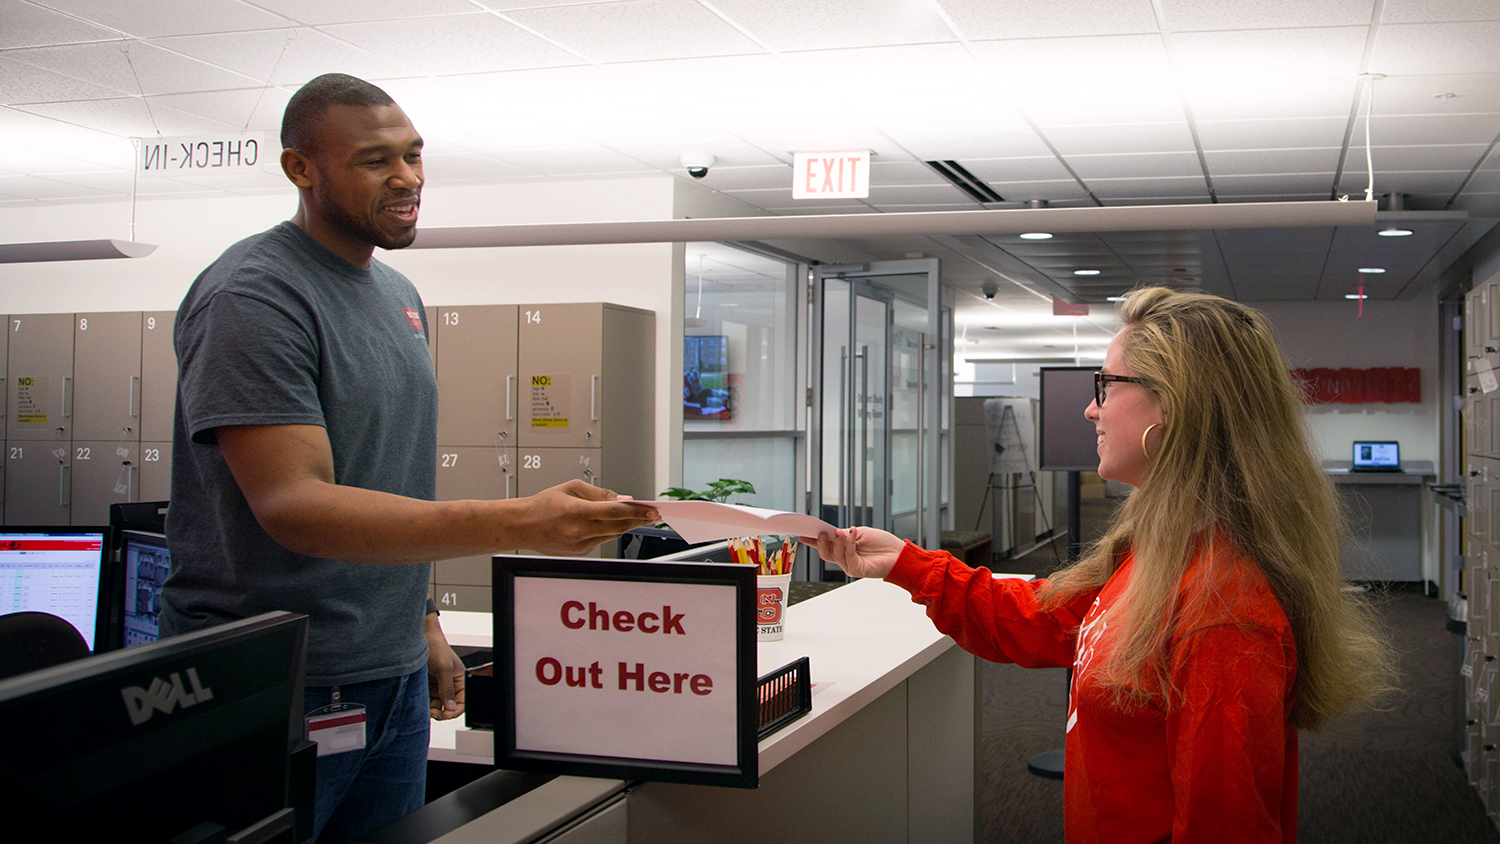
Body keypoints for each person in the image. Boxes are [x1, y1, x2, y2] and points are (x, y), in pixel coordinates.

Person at [161, 73, 657, 843]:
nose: (407, 178)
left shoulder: (396, 294)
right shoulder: (254, 296)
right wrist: (521, 519)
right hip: (280, 681)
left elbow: (390, 477)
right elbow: (295, 505)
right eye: (373, 160)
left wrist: (422, 621)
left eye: (414, 155)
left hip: (389, 674)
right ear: (301, 169)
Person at [808, 287, 1392, 843]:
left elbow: (1225, 829)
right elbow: (1045, 619)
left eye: (1105, 385)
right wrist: (907, 564)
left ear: (1178, 402)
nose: (1090, 409)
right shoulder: (1162, 551)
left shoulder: (1223, 612)